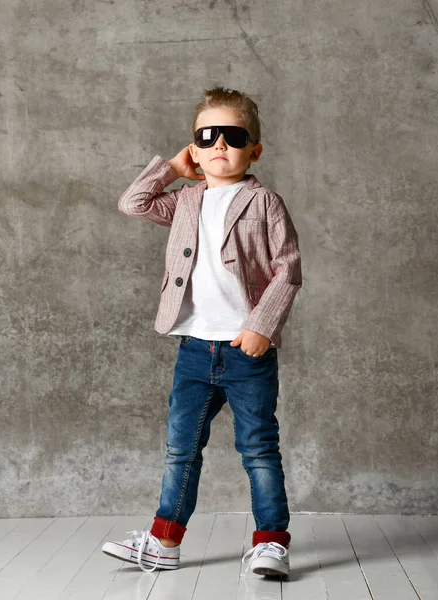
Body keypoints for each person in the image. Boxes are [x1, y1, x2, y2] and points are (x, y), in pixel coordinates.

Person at [102, 87, 302, 577]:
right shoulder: (185, 202)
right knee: (181, 447)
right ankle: (164, 541)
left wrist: (261, 325)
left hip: (245, 350)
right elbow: (133, 202)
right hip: (193, 349)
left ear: (254, 150)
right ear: (194, 147)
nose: (219, 145)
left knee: (257, 447)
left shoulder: (264, 202)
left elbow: (288, 269)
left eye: (233, 137)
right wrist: (172, 166)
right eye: (206, 136)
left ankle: (271, 541)